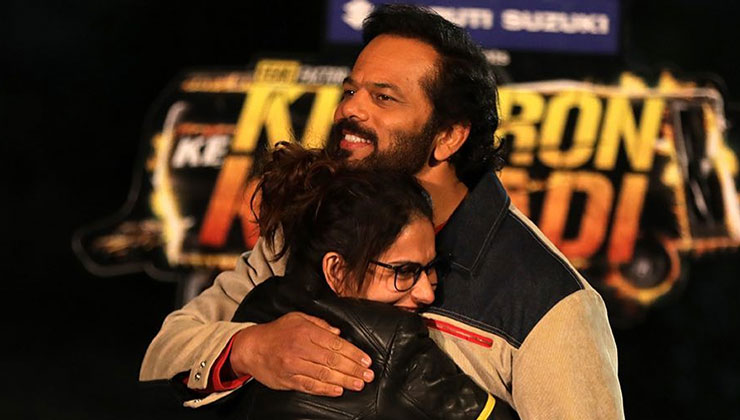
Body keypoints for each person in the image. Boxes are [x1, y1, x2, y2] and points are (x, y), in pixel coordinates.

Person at [140, 4, 624, 419]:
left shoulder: (551, 301)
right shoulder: (309, 226)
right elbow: (166, 353)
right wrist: (251, 349)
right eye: (350, 91)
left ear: (448, 137)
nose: (350, 110)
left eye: (383, 97)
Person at [223, 141, 513, 419]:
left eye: (431, 268)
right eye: (404, 271)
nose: (427, 293)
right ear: (337, 271)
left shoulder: (262, 302)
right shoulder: (395, 344)